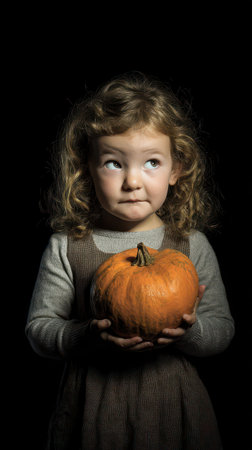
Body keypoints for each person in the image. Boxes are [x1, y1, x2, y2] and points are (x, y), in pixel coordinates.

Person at [26, 72, 235, 450]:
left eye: (152, 162)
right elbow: (39, 329)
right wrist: (84, 336)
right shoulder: (67, 246)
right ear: (86, 170)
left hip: (174, 405)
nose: (133, 181)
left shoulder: (189, 244)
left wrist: (191, 334)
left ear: (177, 169)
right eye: (114, 163)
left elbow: (222, 329)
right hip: (92, 407)